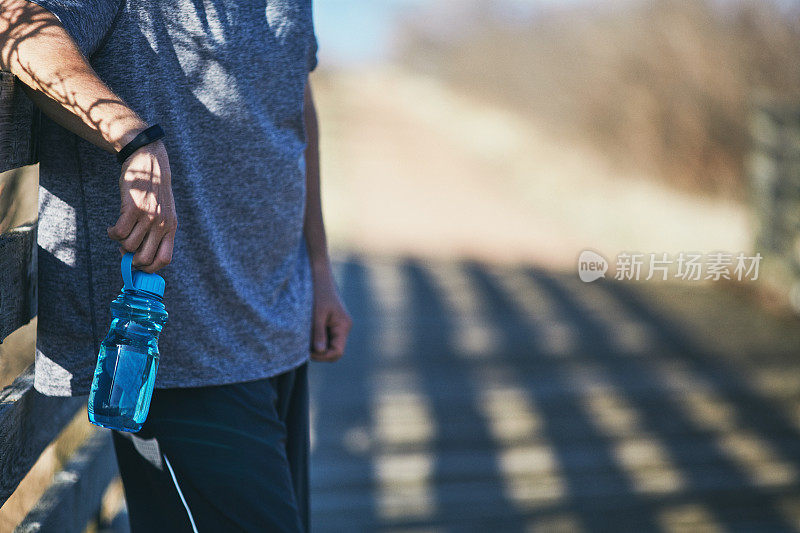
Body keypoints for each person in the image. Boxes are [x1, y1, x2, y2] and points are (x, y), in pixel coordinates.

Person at [0, 0, 351, 530]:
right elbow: (16, 23)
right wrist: (131, 135)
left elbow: (294, 106)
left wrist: (320, 267)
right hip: (175, 347)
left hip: (279, 318)